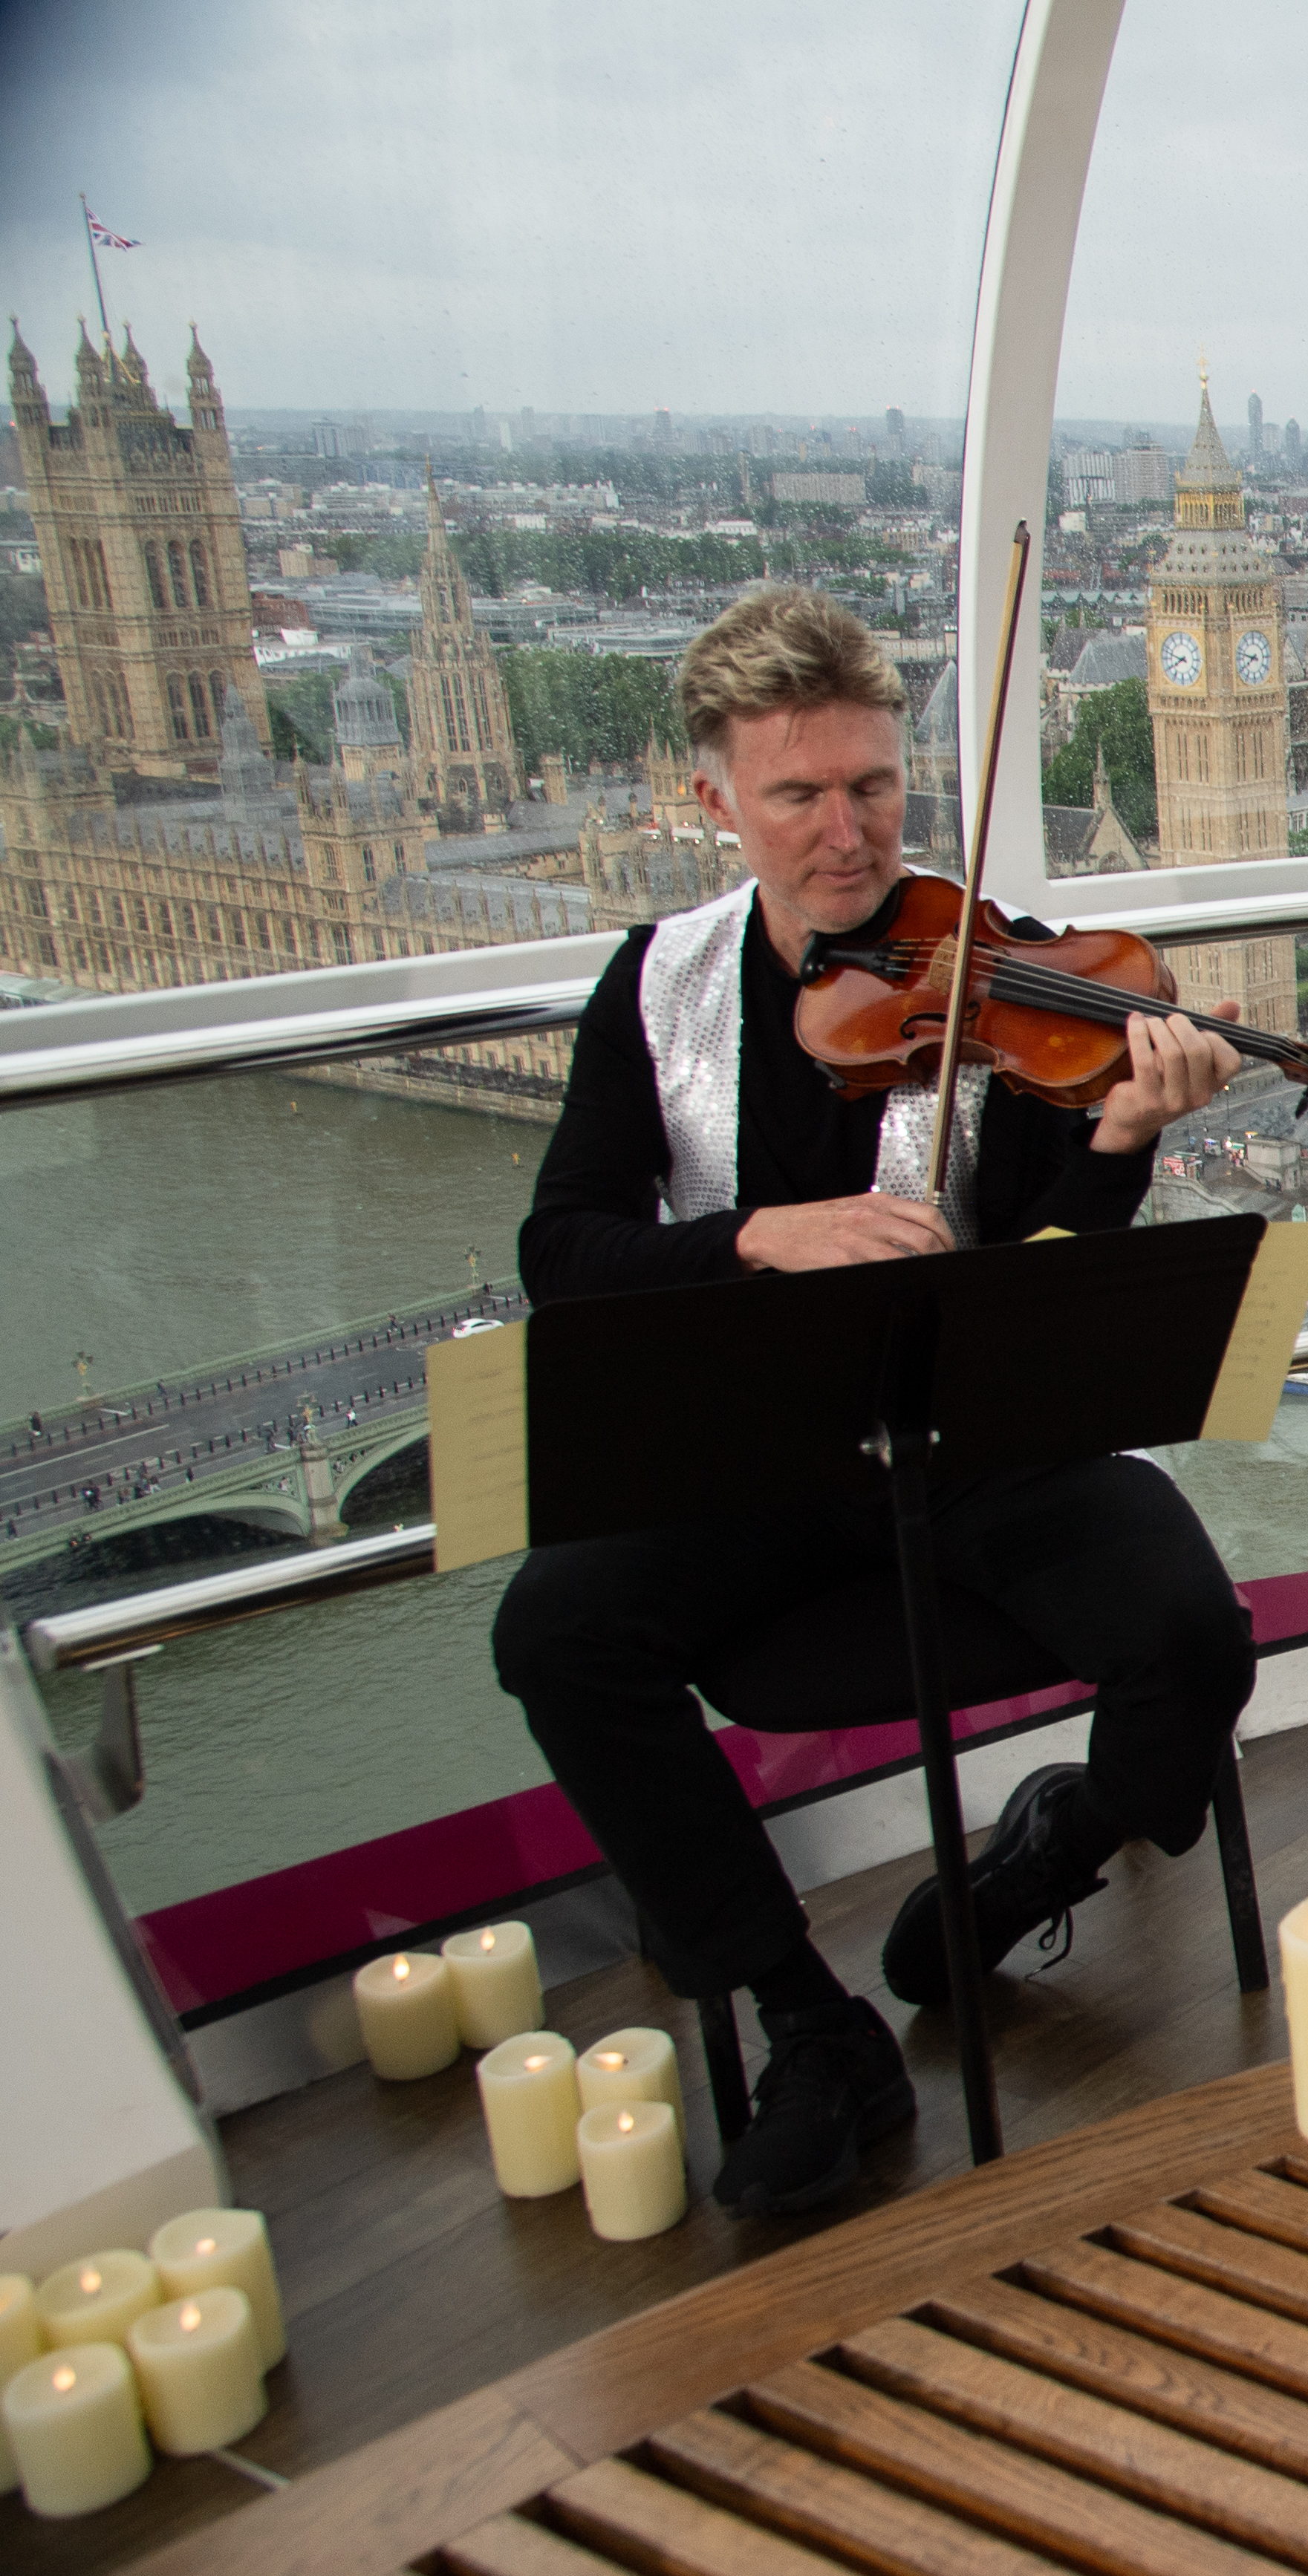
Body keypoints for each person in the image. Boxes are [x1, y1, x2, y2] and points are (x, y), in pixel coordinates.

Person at [491, 588, 1255, 2218]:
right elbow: (562, 1245)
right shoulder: (658, 985)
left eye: (875, 788)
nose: (848, 836)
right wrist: (760, 1234)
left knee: (1194, 1629)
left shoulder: (1003, 965)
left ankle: (1038, 1855)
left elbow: (1058, 1260)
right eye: (798, 795)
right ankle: (806, 2016)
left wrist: (1122, 1138)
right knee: (556, 1628)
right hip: (758, 1459)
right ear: (718, 803)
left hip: (974, 1439)